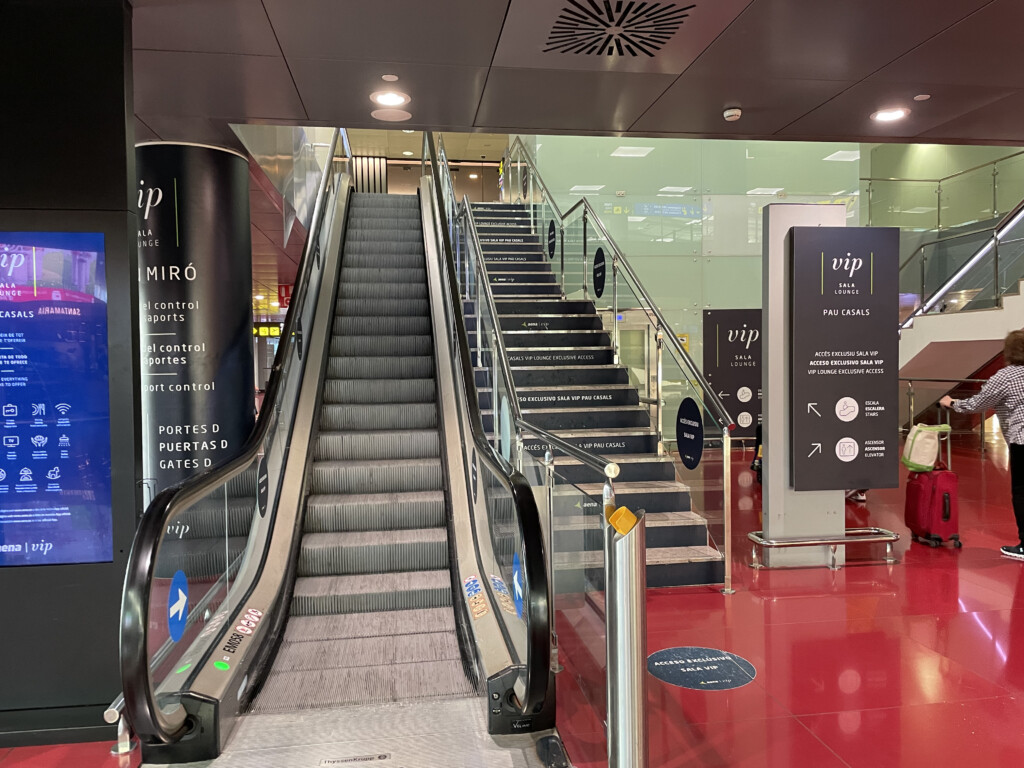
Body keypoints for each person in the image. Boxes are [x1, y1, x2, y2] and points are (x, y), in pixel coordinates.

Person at [940, 328, 1024, 560]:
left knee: (1021, 492)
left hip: (1022, 439)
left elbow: (979, 403)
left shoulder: (1006, 376)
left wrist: (952, 402)